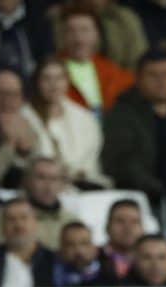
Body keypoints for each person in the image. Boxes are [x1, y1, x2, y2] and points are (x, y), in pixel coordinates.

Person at [101, 50, 166, 207]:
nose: (161, 81)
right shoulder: (122, 113)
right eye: (153, 75)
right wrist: (160, 190)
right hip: (148, 196)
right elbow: (122, 162)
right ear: (138, 78)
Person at [22, 57, 111, 189]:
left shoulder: (85, 118)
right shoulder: (24, 116)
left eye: (59, 78)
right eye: (46, 79)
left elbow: (90, 158)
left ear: (67, 81)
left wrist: (75, 174)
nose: (54, 85)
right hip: (39, 187)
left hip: (81, 185)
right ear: (36, 82)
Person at [0, 157, 79, 249]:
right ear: (26, 181)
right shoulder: (7, 214)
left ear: (61, 184)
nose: (48, 184)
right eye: (41, 177)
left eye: (53, 179)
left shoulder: (70, 220)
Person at [57, 5, 135, 115]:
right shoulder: (51, 71)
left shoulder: (113, 71)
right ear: (62, 35)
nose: (78, 37)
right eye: (71, 31)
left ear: (96, 34)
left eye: (84, 30)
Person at [0, 68, 38, 192]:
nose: (7, 101)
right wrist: (9, 144)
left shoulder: (25, 124)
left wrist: (25, 153)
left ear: (22, 100)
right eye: (1, 94)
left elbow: (40, 178)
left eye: (14, 95)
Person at [99, 198, 144, 282]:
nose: (128, 228)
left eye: (134, 222)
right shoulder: (91, 258)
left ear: (142, 229)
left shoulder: (153, 260)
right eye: (120, 221)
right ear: (107, 226)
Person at [53, 221, 106, 287]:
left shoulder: (108, 270)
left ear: (94, 248)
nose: (78, 250)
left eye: (84, 243)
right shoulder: (49, 273)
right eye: (70, 244)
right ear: (61, 249)